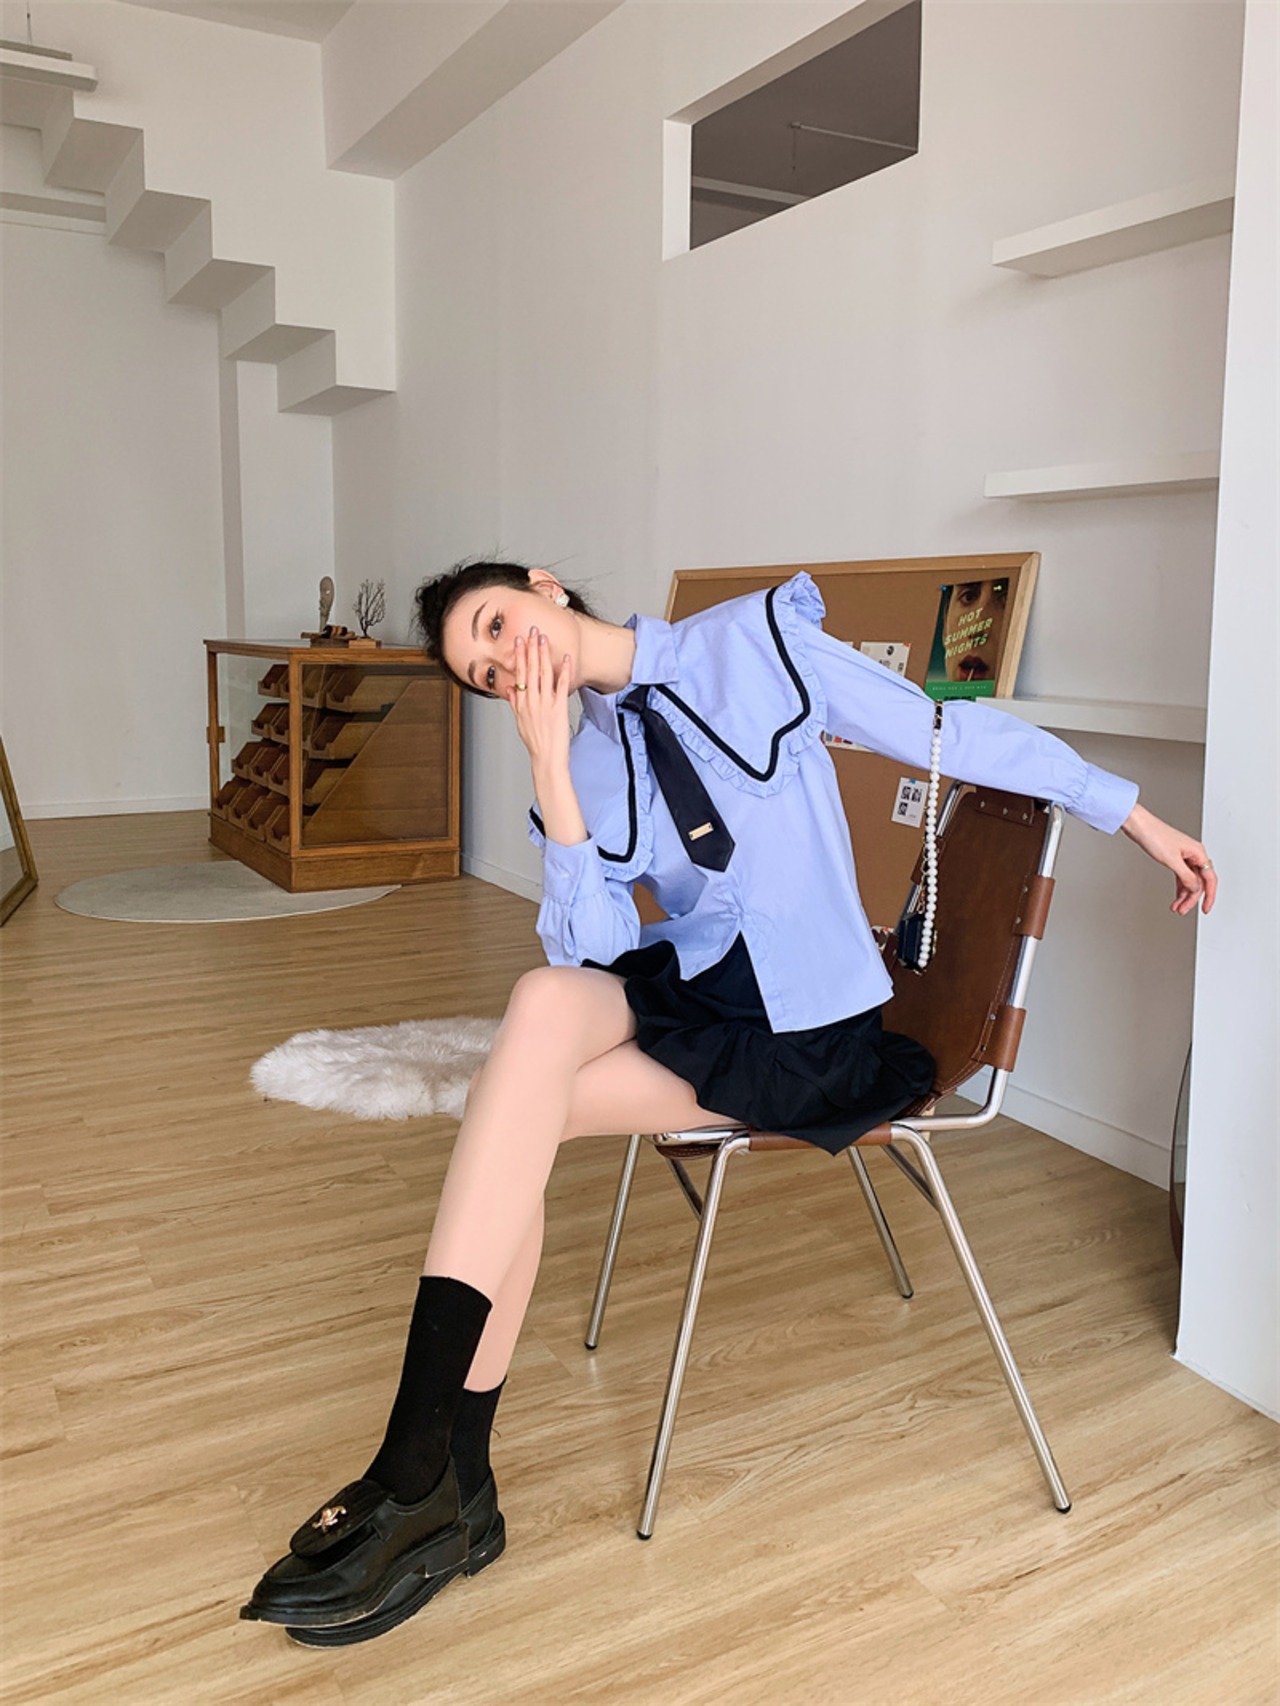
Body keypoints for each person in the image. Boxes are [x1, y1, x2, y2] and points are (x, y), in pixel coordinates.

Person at [241, 560, 1216, 1645]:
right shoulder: (579, 756)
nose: (509, 664)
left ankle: (435, 1478)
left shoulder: (753, 645)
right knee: (537, 1016)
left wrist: (1134, 816)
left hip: (809, 1029)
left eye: (498, 626)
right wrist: (552, 770)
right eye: (486, 673)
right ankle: (431, 1467)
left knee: (512, 1105)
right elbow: (589, 949)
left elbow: (950, 735)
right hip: (703, 995)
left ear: (544, 589)